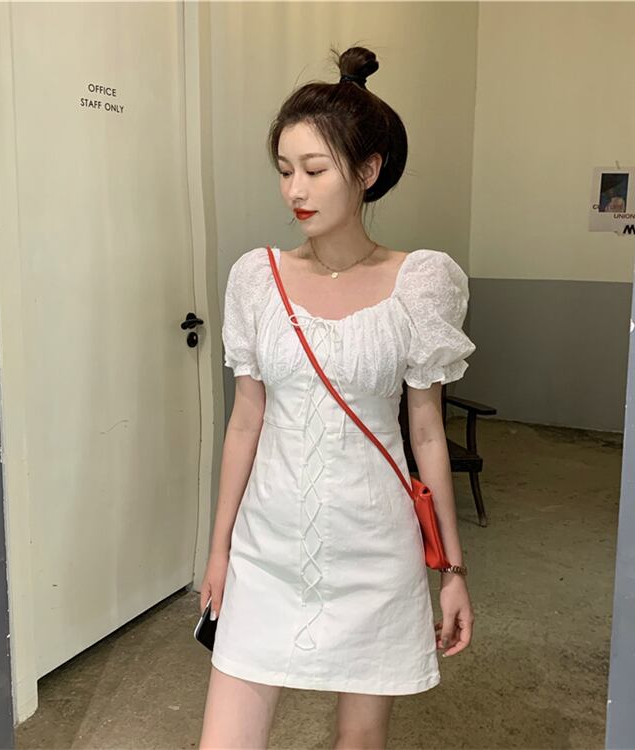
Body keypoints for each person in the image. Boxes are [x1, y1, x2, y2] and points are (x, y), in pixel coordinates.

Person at [198, 45, 477, 750]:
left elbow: (427, 433)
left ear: (367, 171)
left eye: (315, 170)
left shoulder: (420, 283)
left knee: (360, 741)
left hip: (375, 549)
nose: (295, 189)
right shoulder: (256, 279)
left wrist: (451, 572)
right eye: (285, 170)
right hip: (265, 546)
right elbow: (246, 421)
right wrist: (219, 549)